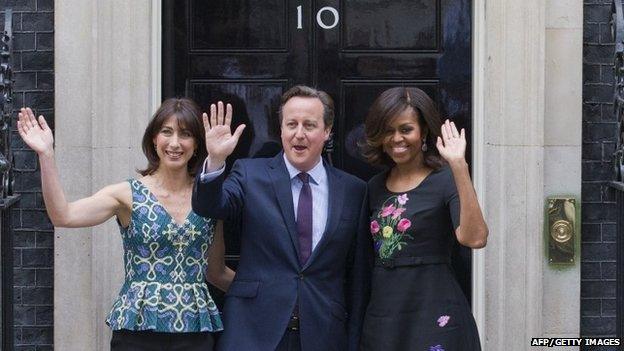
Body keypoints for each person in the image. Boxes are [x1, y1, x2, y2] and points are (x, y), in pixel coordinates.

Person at [16, 99, 234, 351]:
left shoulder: (209, 198)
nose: (175, 143)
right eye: (166, 132)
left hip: (194, 331)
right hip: (136, 329)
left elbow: (216, 272)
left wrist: (272, 295)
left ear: (197, 144)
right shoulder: (127, 193)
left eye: (185, 134)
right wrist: (46, 155)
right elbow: (63, 215)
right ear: (154, 139)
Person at [192, 86, 372, 351]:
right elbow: (210, 206)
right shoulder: (250, 174)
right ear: (281, 130)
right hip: (252, 332)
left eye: (309, 125)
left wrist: (354, 341)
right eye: (291, 124)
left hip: (324, 335)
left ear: (327, 131)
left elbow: (358, 278)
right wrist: (216, 160)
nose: (299, 134)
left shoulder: (354, 190)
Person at [360, 87, 488, 351]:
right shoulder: (373, 187)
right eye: (388, 130)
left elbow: (474, 237)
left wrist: (459, 166)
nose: (397, 138)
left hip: (435, 312)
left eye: (406, 129)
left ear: (424, 132)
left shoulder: (446, 180)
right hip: (385, 318)